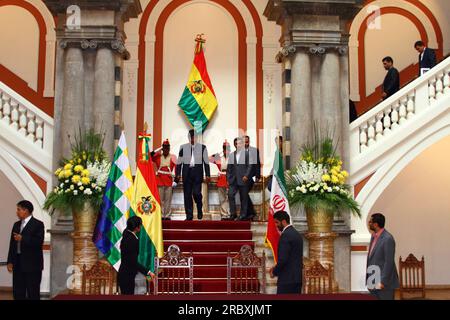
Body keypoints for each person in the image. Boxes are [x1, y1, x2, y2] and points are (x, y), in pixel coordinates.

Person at [7, 200, 44, 300]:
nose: (17, 212)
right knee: (18, 292)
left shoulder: (38, 224)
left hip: (32, 265)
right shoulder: (16, 225)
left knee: (33, 292)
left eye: (19, 209)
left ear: (26, 210)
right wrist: (10, 261)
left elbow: (38, 242)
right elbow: (12, 245)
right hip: (18, 263)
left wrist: (23, 238)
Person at [175, 129, 211, 221]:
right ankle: (189, 215)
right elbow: (179, 162)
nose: (193, 139)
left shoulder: (203, 147)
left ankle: (199, 207)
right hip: (187, 174)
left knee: (196, 193)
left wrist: (208, 174)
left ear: (197, 137)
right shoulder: (183, 148)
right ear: (188, 138)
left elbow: (206, 162)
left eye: (194, 137)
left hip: (197, 174)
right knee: (187, 196)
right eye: (191, 137)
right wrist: (177, 174)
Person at [366, 213, 399, 300]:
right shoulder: (373, 236)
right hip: (373, 279)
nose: (369, 223)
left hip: (383, 283)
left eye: (370, 222)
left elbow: (389, 262)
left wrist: (382, 281)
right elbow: (372, 258)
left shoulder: (388, 238)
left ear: (376, 224)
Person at [118, 216, 155, 295]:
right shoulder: (131, 240)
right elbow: (133, 262)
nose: (141, 226)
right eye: (140, 225)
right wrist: (148, 272)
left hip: (126, 274)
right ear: (136, 227)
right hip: (126, 276)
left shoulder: (127, 234)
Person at [269, 211, 303, 294]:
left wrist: (274, 271)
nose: (276, 225)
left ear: (283, 221)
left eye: (277, 222)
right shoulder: (297, 234)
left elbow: (283, 259)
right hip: (297, 279)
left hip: (287, 281)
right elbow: (292, 257)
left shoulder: (285, 236)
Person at [151, 139, 177, 220]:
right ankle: (161, 215)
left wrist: (176, 181)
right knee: (160, 200)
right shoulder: (158, 157)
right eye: (164, 148)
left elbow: (177, 169)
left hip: (168, 181)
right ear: (162, 149)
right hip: (159, 181)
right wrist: (159, 148)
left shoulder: (173, 157)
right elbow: (150, 155)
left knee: (168, 200)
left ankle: (167, 215)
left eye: (167, 148)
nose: (166, 149)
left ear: (169, 148)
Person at [209, 140, 231, 220]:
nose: (226, 150)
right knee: (222, 198)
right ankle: (223, 214)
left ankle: (229, 214)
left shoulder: (232, 158)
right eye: (225, 148)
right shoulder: (219, 158)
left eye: (228, 148)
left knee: (229, 198)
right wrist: (217, 154)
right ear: (223, 149)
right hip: (221, 179)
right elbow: (209, 159)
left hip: (229, 178)